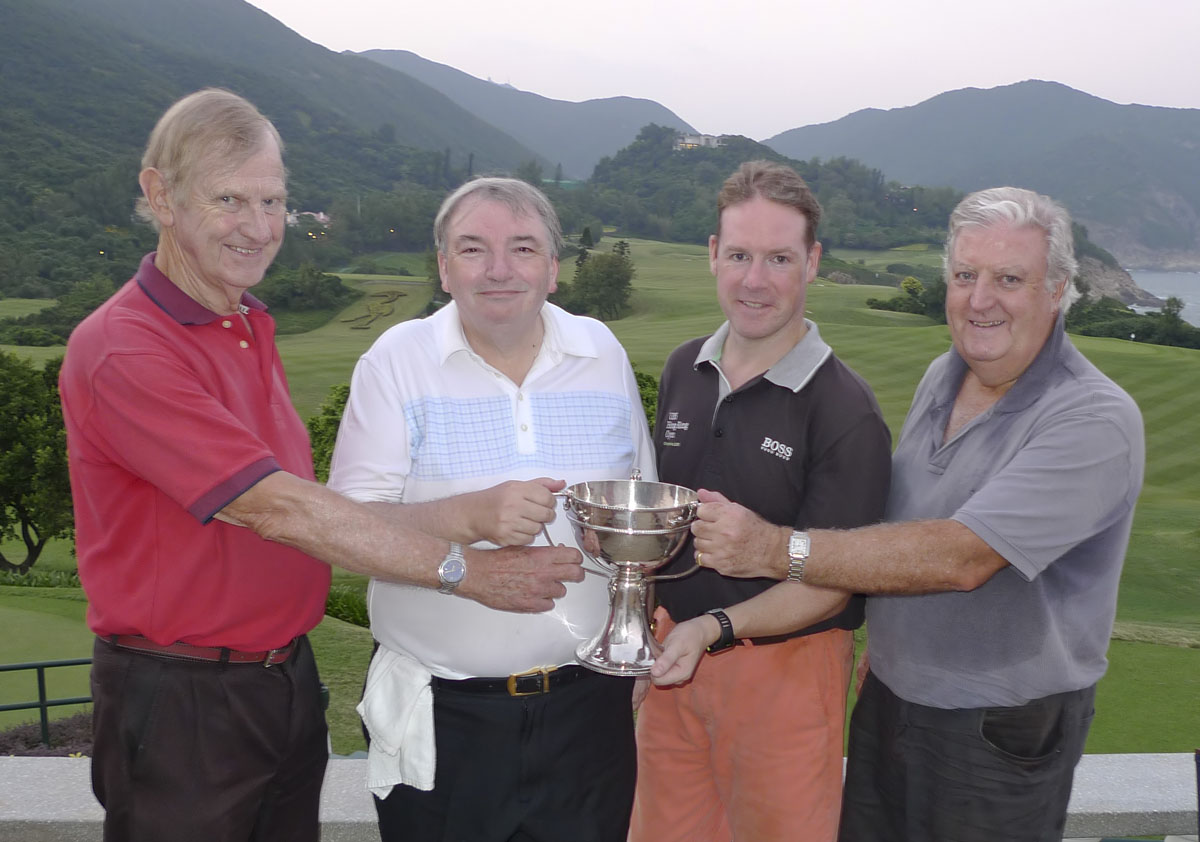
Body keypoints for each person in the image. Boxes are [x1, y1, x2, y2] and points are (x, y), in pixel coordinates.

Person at [59, 90, 583, 842]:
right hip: (183, 699)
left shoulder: (248, 321)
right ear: (160, 196)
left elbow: (316, 506)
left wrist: (463, 517)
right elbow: (278, 508)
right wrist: (467, 568)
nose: (257, 226)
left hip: (281, 681)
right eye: (229, 199)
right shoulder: (125, 348)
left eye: (272, 200)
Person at [696, 186, 1145, 842]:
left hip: (996, 730)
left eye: (1009, 279)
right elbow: (904, 515)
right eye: (965, 275)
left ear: (1057, 290)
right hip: (890, 702)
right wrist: (887, 635)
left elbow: (961, 556)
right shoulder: (947, 374)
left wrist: (774, 549)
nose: (980, 299)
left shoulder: (1095, 419)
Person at [326, 176, 656, 842]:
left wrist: (636, 638)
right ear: (444, 269)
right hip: (445, 718)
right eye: (474, 249)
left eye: (524, 248)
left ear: (554, 269)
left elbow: (640, 518)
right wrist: (466, 517)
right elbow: (342, 530)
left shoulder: (602, 354)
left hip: (588, 714)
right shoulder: (396, 362)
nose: (500, 269)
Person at [628, 160, 893, 842]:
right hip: (673, 666)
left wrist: (711, 627)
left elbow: (830, 587)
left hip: (787, 675)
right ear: (713, 255)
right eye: (740, 254)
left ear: (812, 262)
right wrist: (647, 634)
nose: (755, 280)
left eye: (779, 258)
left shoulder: (845, 411)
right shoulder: (685, 369)